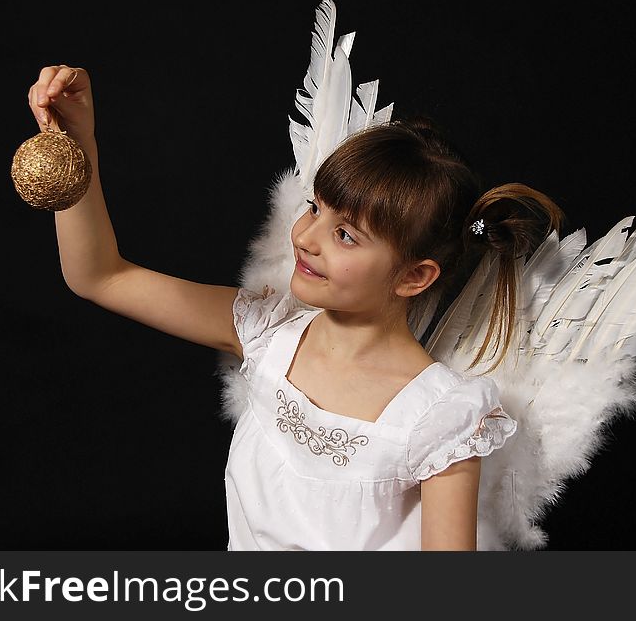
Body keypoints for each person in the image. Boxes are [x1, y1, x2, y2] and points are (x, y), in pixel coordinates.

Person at [28, 64, 565, 550]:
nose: (307, 237)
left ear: (414, 275)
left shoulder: (441, 419)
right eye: (315, 207)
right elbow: (101, 276)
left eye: (347, 235)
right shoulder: (267, 331)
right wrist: (79, 147)